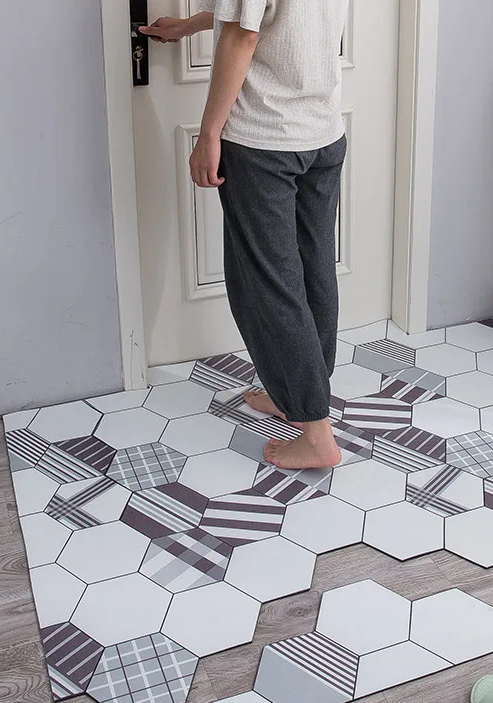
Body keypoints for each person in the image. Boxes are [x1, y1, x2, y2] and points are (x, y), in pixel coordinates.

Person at [140, 0, 349, 470]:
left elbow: (243, 34)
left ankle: (316, 433)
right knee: (313, 271)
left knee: (270, 285)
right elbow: (268, 13)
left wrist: (208, 135)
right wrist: (190, 25)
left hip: (264, 141)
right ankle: (296, 396)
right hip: (323, 134)